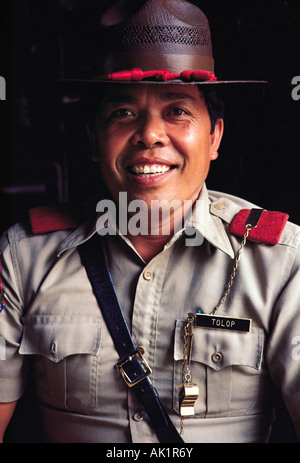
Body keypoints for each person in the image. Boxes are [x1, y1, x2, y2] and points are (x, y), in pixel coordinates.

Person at [0, 0, 299, 444]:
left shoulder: (279, 261)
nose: (150, 135)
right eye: (123, 113)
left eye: (177, 110)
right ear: (94, 139)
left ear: (214, 136)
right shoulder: (26, 255)